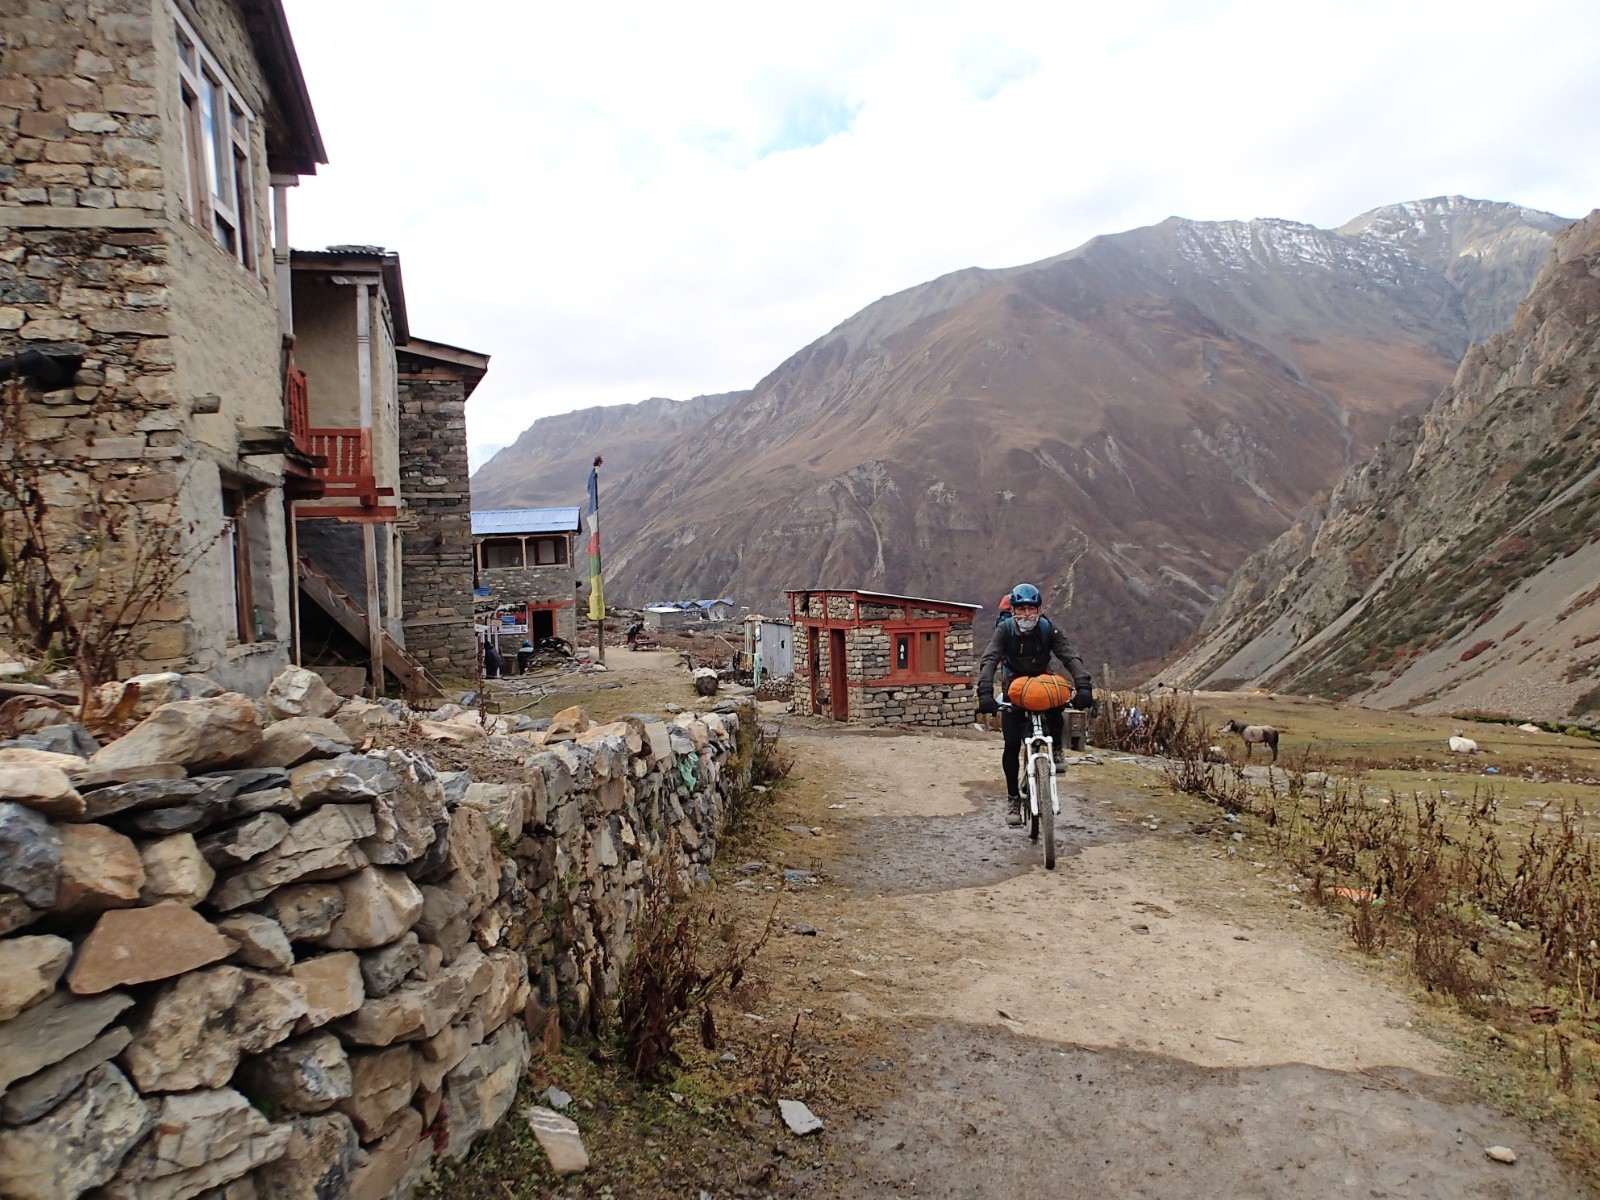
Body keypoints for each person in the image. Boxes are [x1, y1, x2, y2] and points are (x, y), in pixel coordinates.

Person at [976, 583, 1094, 827]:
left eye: (1032, 609)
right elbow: (990, 659)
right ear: (1013, 610)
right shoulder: (1004, 630)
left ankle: (1057, 751)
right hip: (1013, 688)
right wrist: (985, 691)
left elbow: (1069, 655)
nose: (1027, 615)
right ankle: (1013, 800)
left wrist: (1083, 685)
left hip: (1041, 684)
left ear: (1039, 609)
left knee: (1056, 704)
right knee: (1010, 746)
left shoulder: (1046, 628)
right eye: (1021, 609)